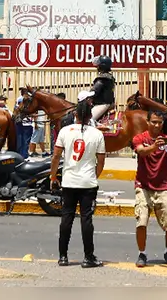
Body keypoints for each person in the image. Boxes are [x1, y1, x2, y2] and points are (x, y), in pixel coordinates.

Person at [50, 94, 106, 268]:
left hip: (69, 182)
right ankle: (88, 257)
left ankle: (63, 256)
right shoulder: (97, 134)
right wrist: (94, 175)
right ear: (90, 116)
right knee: (86, 220)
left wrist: (53, 176)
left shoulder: (65, 132)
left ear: (75, 115)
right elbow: (101, 160)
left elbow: (56, 155)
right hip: (88, 182)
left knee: (66, 218)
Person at [131, 112, 167, 267]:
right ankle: (142, 254)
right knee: (141, 222)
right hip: (143, 186)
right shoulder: (140, 138)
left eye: (159, 122)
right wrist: (154, 146)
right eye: (154, 122)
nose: (157, 125)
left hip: (163, 186)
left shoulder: (166, 141)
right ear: (148, 122)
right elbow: (141, 151)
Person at [89, 55, 116, 128]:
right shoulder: (108, 76)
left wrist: (86, 96)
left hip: (102, 104)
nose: (97, 67)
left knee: (88, 119)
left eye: (98, 66)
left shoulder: (102, 78)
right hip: (107, 103)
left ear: (101, 66)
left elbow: (94, 91)